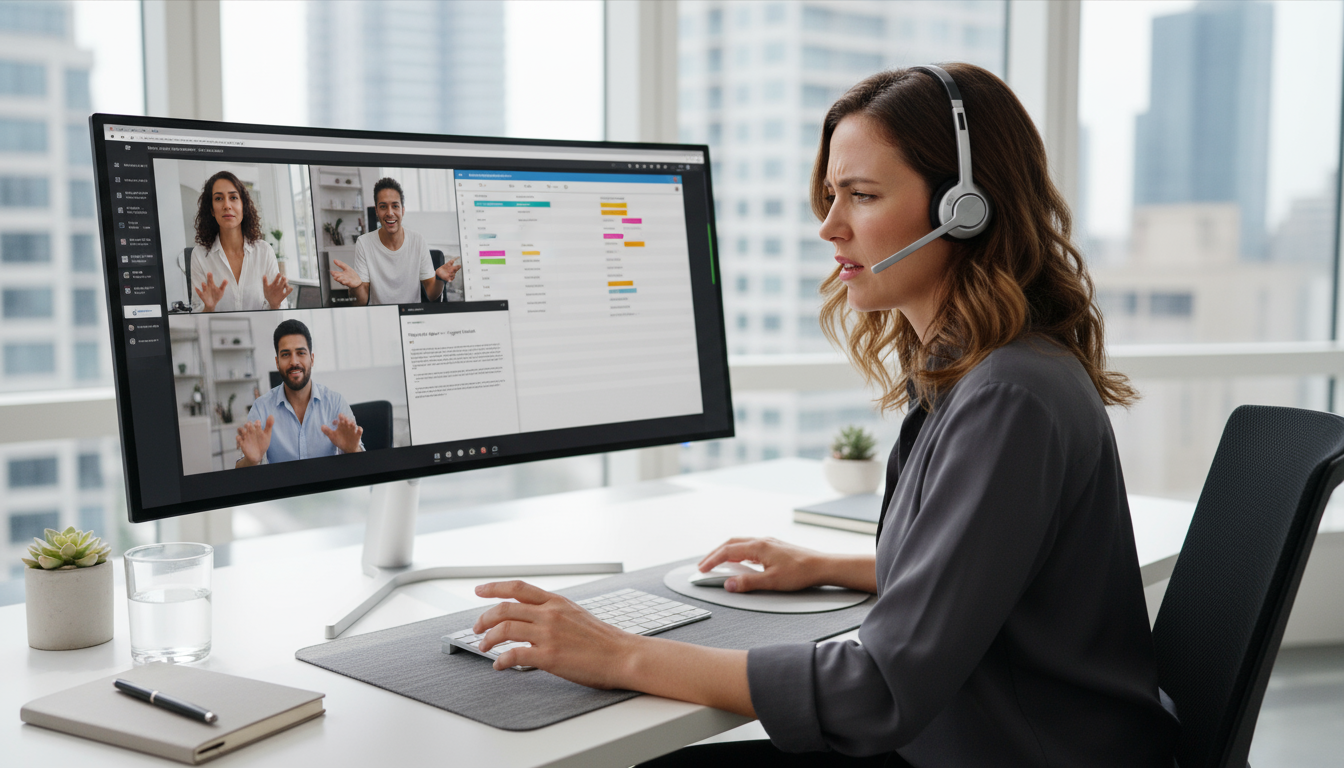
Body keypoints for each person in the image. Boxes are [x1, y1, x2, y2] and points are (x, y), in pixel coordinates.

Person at [466, 64, 1180, 767]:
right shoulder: (987, 372)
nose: (830, 227)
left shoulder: (1009, 397)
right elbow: (983, 574)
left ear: (965, 208)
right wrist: (828, 566)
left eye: (862, 195)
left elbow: (877, 689)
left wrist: (618, 652)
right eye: (831, 195)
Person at [235, 319, 363, 467]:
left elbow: (362, 464)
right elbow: (241, 471)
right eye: (285, 355)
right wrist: (250, 460)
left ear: (312, 359)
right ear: (277, 363)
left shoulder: (335, 402)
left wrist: (353, 450)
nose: (294, 362)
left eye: (301, 353)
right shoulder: (261, 407)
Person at [329, 176, 461, 305]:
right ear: (376, 211)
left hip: (411, 316)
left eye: (395, 206)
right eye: (383, 206)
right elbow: (360, 302)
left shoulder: (417, 240)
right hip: (380, 317)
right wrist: (356, 286)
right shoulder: (364, 243)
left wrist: (439, 279)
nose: (390, 213)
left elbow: (432, 296)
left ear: (403, 210)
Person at [190, 170, 292, 312]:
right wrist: (208, 308)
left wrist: (275, 304)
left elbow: (281, 311)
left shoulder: (264, 251)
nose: (227, 205)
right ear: (212, 210)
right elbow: (196, 311)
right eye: (218, 198)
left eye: (233, 197)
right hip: (221, 334)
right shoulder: (200, 255)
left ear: (243, 206)